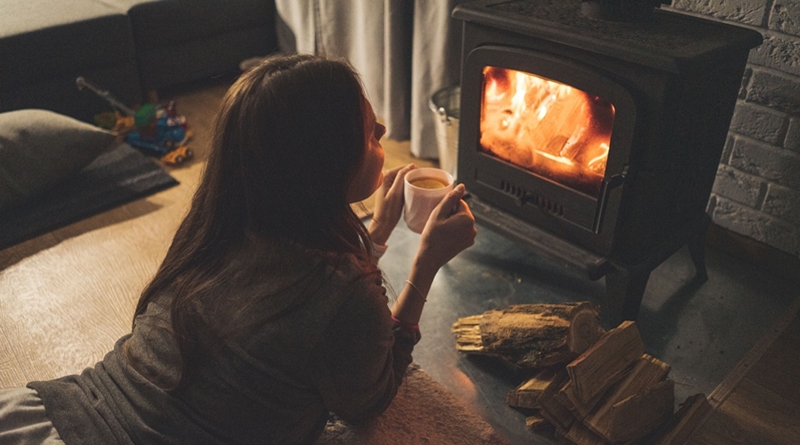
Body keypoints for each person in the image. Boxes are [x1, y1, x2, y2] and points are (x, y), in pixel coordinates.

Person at [0, 54, 476, 444]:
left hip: (64, 411)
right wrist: (425, 265)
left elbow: (303, 310)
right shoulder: (345, 299)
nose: (385, 130)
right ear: (324, 163)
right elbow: (369, 400)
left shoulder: (216, 227)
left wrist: (377, 233)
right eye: (369, 131)